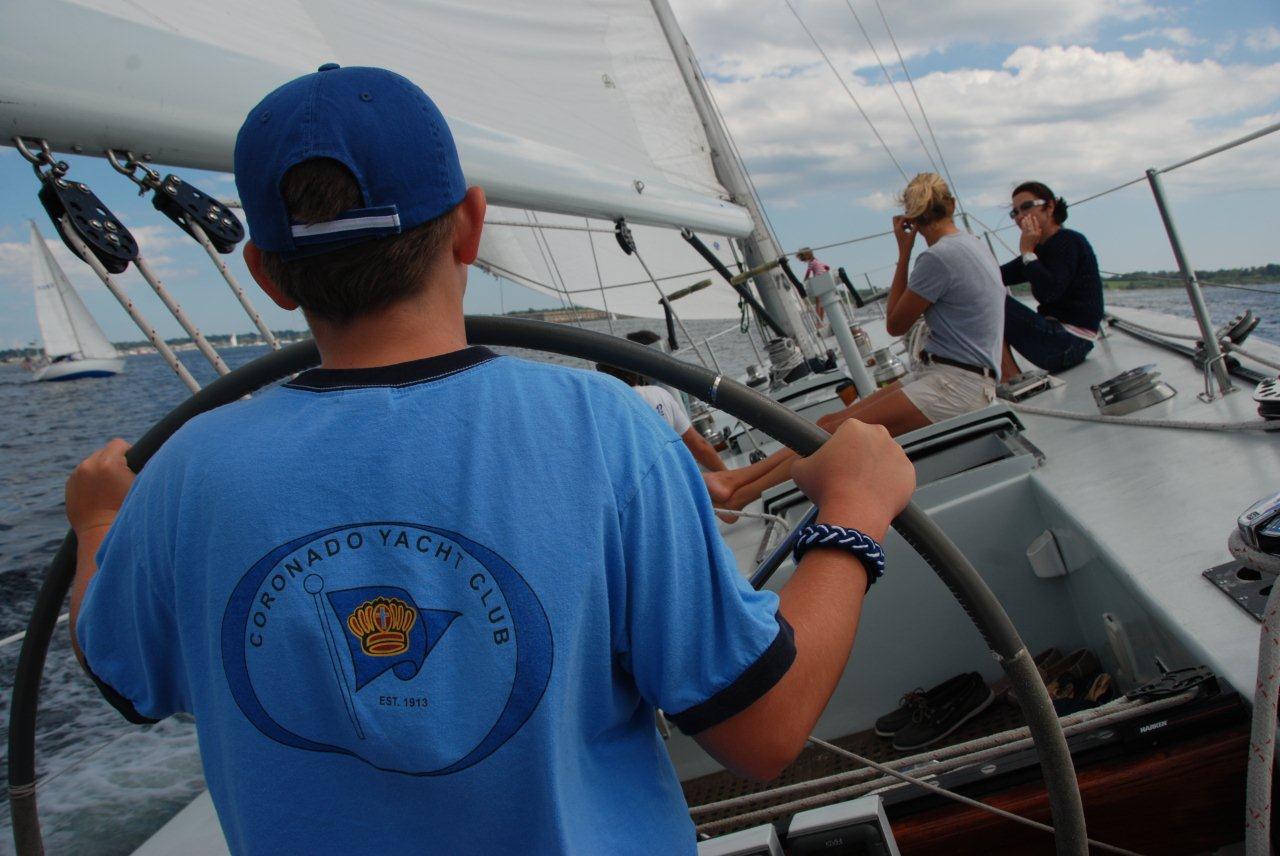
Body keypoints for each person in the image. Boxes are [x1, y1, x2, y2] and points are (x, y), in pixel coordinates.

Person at [65, 65, 916, 854]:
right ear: (470, 225)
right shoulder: (603, 428)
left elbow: (125, 674)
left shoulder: (188, 472)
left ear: (266, 275)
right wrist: (853, 514)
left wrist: (101, 518)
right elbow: (761, 734)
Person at [706, 173, 1002, 518]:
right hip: (949, 377)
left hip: (956, 387)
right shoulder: (972, 244)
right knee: (833, 419)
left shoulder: (937, 259)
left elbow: (894, 324)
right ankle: (737, 479)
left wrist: (903, 252)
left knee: (838, 434)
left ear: (910, 218)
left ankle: (739, 496)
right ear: (950, 205)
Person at [999, 181, 1103, 377]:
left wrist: (1028, 253)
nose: (1020, 216)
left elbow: (1050, 291)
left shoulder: (1069, 241)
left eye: (1026, 207)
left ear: (1050, 206)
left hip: (1070, 343)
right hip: (1057, 341)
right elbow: (995, 276)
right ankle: (1007, 374)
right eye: (1015, 212)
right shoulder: (1041, 250)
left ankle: (1010, 376)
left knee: (989, 296)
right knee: (982, 288)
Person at [596, 361, 727, 471]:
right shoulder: (659, 394)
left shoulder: (608, 412)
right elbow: (700, 445)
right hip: (677, 475)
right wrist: (725, 476)